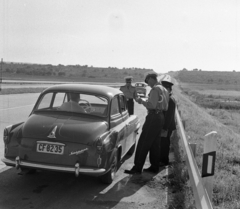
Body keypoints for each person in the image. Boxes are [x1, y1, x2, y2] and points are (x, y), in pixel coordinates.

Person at [124, 72, 169, 174]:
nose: (148, 84)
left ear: (151, 79)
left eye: (147, 81)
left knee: (144, 142)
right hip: (161, 116)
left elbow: (151, 105)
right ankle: (154, 166)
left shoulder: (155, 89)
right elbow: (165, 106)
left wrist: (140, 100)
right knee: (155, 143)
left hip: (153, 116)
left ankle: (137, 167)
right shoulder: (164, 89)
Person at [159, 75, 176, 166]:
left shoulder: (170, 100)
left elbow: (169, 116)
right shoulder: (166, 99)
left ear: (169, 90)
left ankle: (164, 161)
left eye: (166, 89)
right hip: (165, 126)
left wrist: (164, 128)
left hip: (167, 127)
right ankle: (161, 160)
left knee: (165, 144)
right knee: (162, 143)